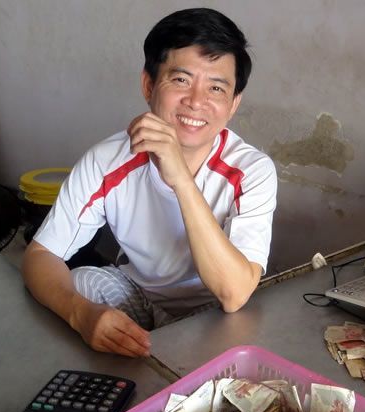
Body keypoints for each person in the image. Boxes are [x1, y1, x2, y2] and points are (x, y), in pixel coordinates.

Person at [21, 8, 277, 358]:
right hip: (139, 298)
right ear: (148, 85)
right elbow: (40, 255)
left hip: (215, 312)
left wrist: (181, 180)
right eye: (181, 80)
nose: (196, 102)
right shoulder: (107, 160)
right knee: (81, 282)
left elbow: (233, 294)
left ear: (233, 104)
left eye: (216, 88)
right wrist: (80, 314)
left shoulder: (252, 171)